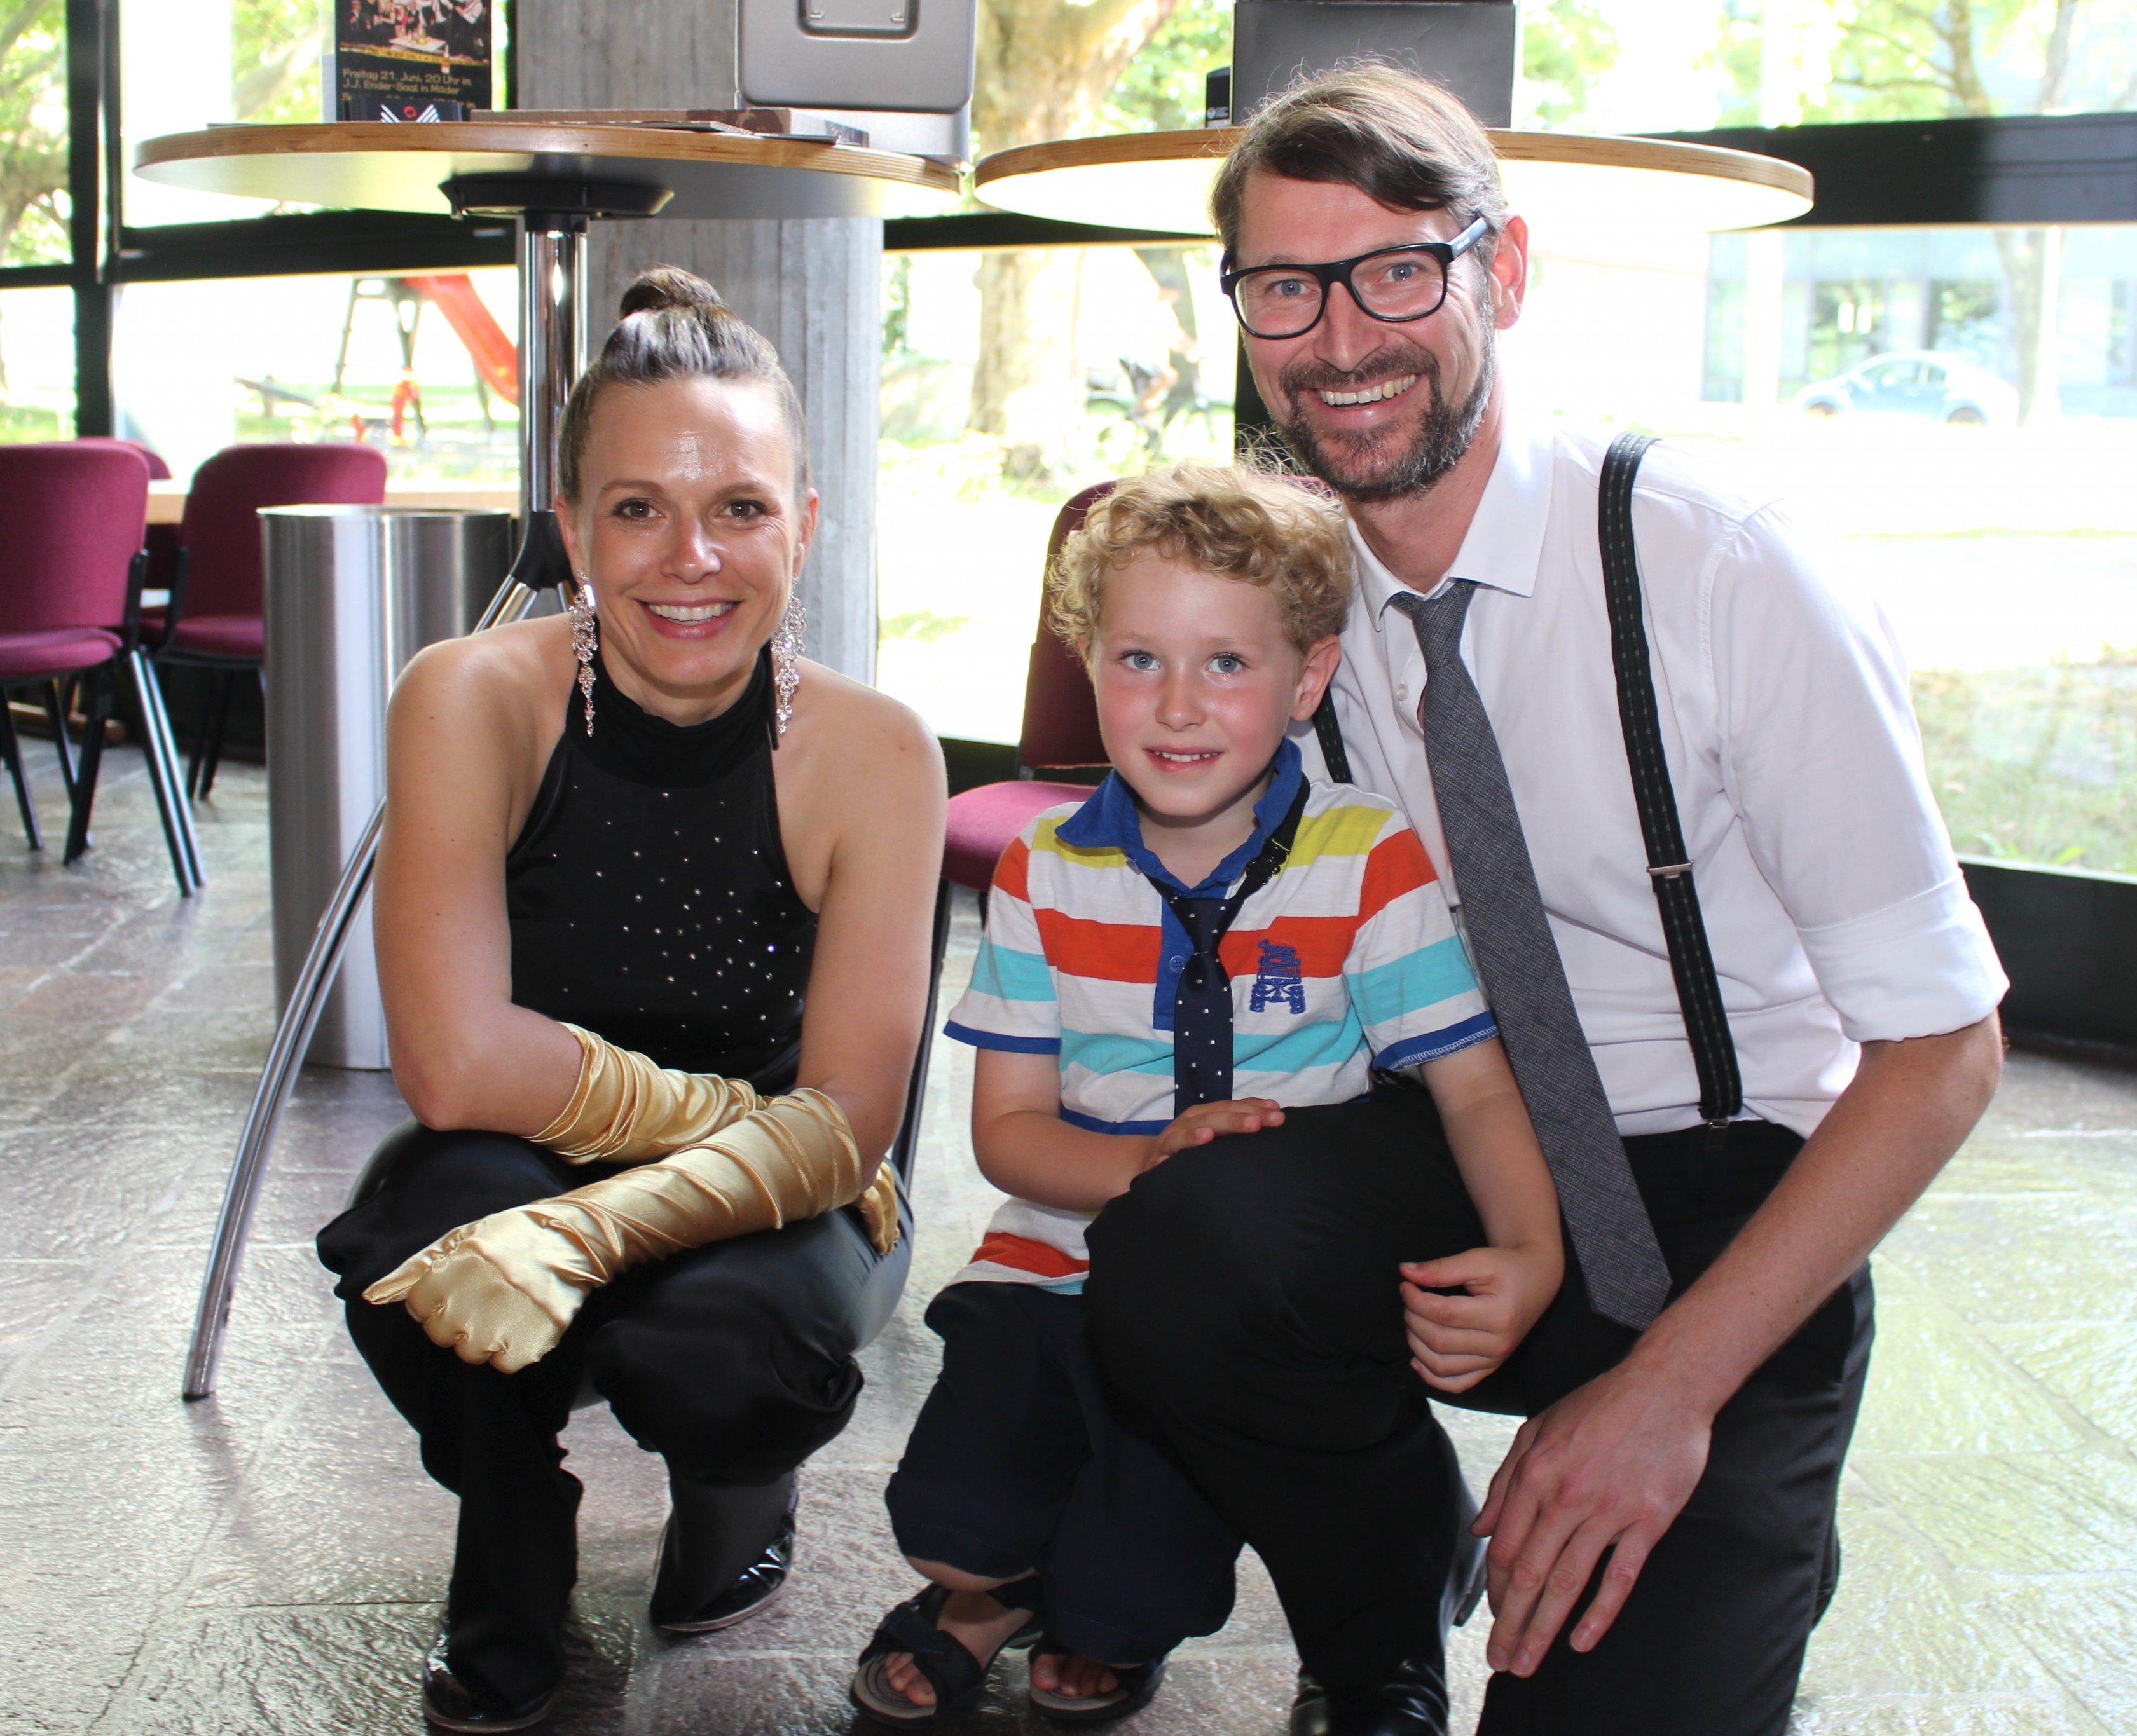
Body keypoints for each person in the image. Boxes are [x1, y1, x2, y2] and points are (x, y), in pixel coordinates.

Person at [1084, 69, 2010, 1736]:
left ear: (1500, 274)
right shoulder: (1284, 601)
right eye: (1285, 286)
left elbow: (1943, 1046)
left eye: (1396, 270)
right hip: (1464, 1138)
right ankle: (1381, 1609)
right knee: (1178, 1253)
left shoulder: (1721, 568)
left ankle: (1740, 1530)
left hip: (1728, 1197)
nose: (1340, 336)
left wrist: (1662, 1387)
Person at [315, 265, 946, 1733]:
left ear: (807, 523)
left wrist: (601, 1218)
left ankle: (738, 1484)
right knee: (431, 1231)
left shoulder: (878, 751)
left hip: (790, 1207)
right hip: (564, 1140)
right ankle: (511, 1531)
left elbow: (850, 1123)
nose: (690, 558)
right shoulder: (471, 694)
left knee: (723, 1354)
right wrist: (748, 1118)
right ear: (571, 524)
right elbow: (461, 1070)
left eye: (740, 506)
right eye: (637, 507)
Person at [850, 465, 1565, 1729]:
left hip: (1221, 1316)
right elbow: (1007, 1134)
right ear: (1091, 662)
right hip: (1051, 1263)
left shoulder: (1364, 858)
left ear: (1306, 679)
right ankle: (989, 1591)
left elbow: (1470, 1083)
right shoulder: (1044, 867)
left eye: (1226, 664)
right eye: (1137, 659)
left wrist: (1530, 1249)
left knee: (1125, 1599)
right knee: (949, 1527)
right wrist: (1150, 1169)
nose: (1177, 705)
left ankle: (1126, 1589)